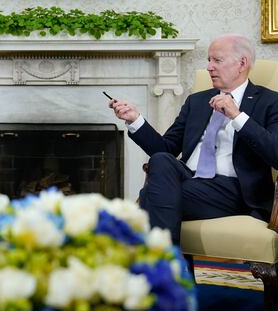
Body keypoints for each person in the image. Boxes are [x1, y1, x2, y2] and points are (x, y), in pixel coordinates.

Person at [109, 34, 278, 246]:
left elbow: (275, 153)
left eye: (217, 60)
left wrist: (237, 116)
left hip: (233, 189)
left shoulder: (270, 101)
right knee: (161, 159)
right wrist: (135, 120)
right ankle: (170, 264)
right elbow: (166, 148)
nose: (209, 67)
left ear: (242, 63)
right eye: (208, 60)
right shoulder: (197, 101)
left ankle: (167, 263)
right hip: (190, 178)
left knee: (151, 197)